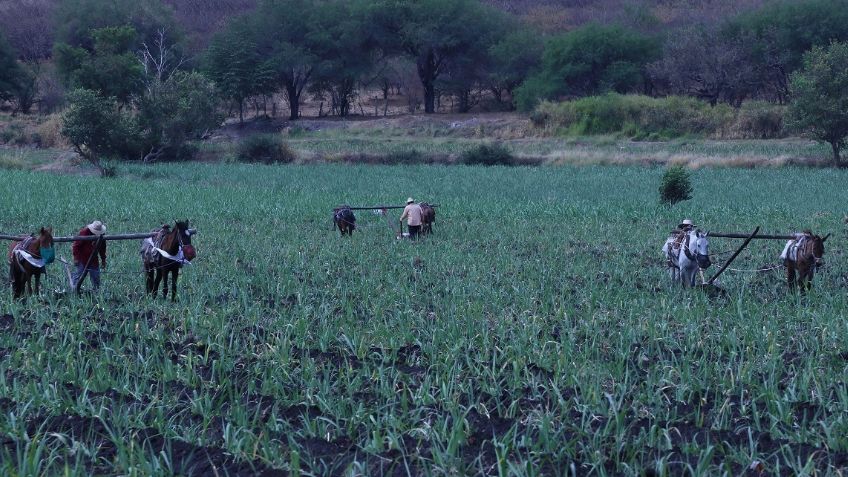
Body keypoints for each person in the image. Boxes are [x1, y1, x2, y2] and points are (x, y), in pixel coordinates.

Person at [71, 220, 107, 290]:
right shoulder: (84, 232)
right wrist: (76, 258)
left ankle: (97, 291)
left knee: (96, 276)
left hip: (93, 259)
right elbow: (76, 246)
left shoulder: (102, 235)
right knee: (78, 275)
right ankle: (73, 290)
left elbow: (103, 248)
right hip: (82, 258)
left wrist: (103, 260)